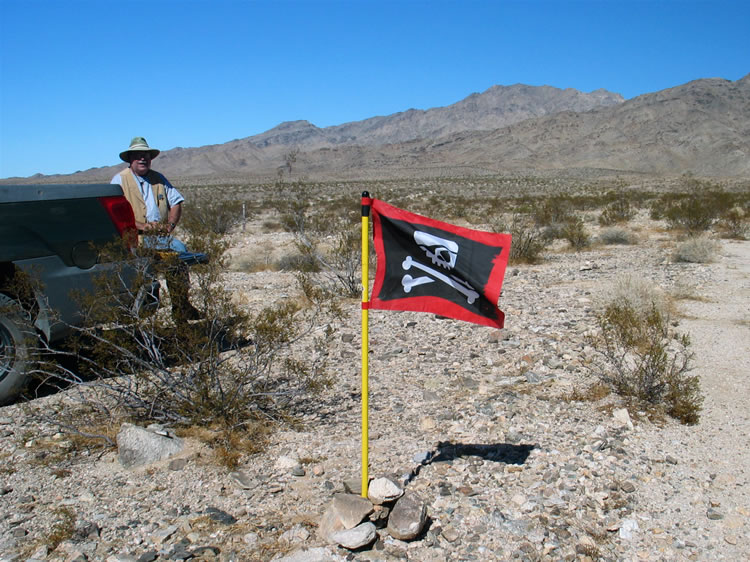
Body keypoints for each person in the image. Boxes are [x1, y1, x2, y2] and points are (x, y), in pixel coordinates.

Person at [112, 136, 201, 321]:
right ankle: (141, 311)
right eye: (138, 155)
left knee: (179, 253)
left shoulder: (158, 178)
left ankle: (181, 306)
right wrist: (142, 226)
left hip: (160, 236)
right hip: (134, 237)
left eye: (146, 155)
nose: (143, 159)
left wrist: (170, 225)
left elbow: (176, 202)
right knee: (143, 271)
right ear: (130, 159)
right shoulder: (119, 180)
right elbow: (115, 214)